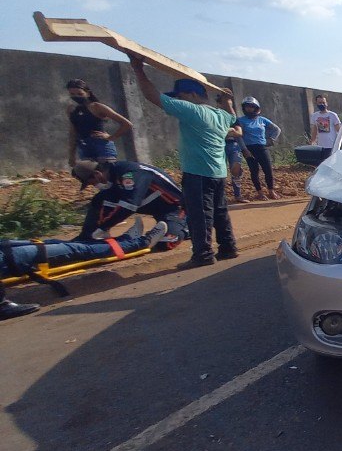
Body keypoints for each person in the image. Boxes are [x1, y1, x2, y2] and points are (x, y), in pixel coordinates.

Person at [127, 53, 238, 267]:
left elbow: (153, 96)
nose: (178, 100)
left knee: (200, 215)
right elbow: (232, 115)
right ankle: (228, 248)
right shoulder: (221, 115)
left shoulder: (192, 111)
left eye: (180, 96)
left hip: (198, 173)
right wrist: (228, 101)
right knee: (220, 212)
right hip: (217, 172)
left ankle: (203, 255)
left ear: (191, 94)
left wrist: (138, 70)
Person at [1, 219, 167, 320]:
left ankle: (127, 239)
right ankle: (142, 242)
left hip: (5, 249)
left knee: (58, 243)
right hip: (12, 258)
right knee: (77, 249)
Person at [70, 159, 188, 249]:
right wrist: (93, 231)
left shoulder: (130, 173)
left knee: (167, 242)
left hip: (175, 208)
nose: (93, 186)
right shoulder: (114, 176)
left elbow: (130, 204)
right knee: (99, 198)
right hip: (154, 207)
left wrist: (103, 227)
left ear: (97, 174)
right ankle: (86, 236)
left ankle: (188, 227)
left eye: (91, 183)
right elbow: (108, 202)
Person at [66, 79, 132, 166]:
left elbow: (127, 124)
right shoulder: (72, 110)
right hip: (84, 147)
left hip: (101, 147)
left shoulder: (97, 107)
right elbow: (73, 132)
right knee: (89, 177)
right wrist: (72, 155)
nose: (76, 96)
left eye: (80, 94)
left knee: (107, 175)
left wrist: (111, 137)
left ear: (88, 93)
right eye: (72, 94)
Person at [236, 96, 283, 200]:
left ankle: (271, 191)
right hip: (249, 149)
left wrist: (271, 140)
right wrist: (244, 149)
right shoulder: (240, 121)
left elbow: (277, 129)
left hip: (262, 148)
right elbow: (238, 136)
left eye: (252, 107)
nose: (249, 109)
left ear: (256, 108)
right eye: (247, 107)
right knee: (254, 170)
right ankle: (260, 192)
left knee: (268, 170)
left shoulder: (262, 119)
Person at [309, 94, 341, 160]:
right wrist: (312, 141)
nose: (322, 104)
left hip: (332, 146)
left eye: (323, 102)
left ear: (327, 103)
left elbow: (339, 130)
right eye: (320, 103)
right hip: (320, 147)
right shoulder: (314, 116)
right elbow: (314, 130)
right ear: (316, 103)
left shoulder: (333, 115)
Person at [225, 128, 250, 203]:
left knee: (236, 170)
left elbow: (239, 134)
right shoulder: (214, 117)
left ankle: (238, 195)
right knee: (219, 171)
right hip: (219, 145)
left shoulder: (234, 119)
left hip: (234, 145)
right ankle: (219, 196)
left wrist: (244, 149)